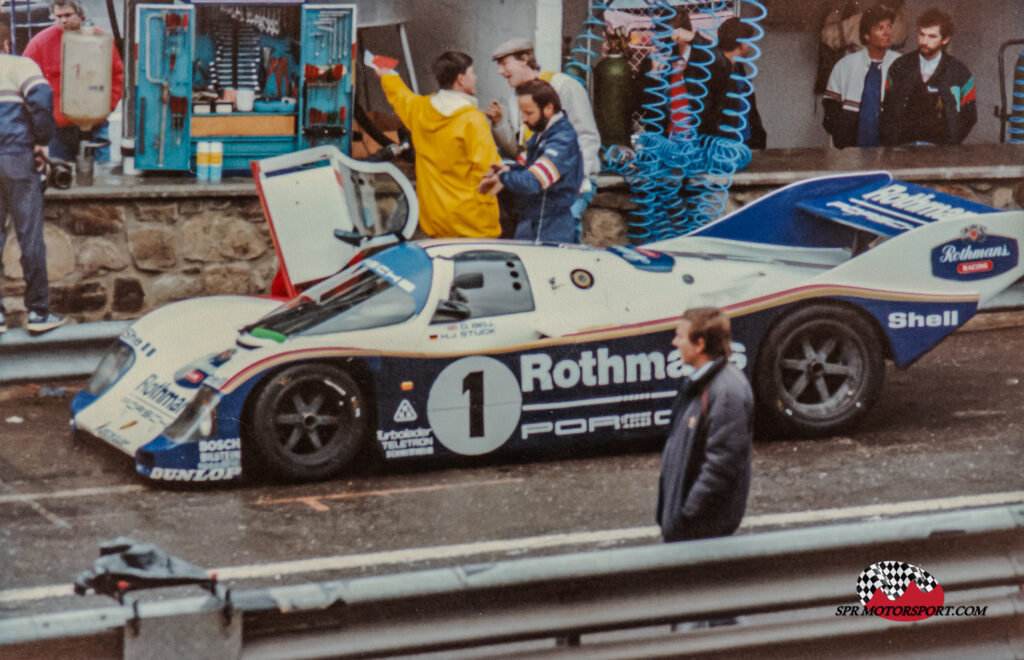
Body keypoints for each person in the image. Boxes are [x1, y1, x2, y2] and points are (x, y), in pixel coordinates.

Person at [370, 51, 502, 239]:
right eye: (472, 73)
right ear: (461, 79)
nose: (476, 77)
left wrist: (387, 75)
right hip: (474, 226)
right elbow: (490, 169)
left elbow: (400, 96)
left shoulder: (420, 110)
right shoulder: (473, 120)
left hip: (436, 222)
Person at [656, 307, 753, 543]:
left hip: (699, 531)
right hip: (689, 526)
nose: (674, 342)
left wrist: (687, 515)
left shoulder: (726, 391)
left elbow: (722, 464)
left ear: (699, 345)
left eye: (680, 336)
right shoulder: (700, 382)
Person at [485, 39, 599, 236]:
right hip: (538, 184)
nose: (500, 72)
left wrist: (579, 178)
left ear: (524, 59)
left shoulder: (563, 85)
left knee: (560, 238)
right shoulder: (516, 99)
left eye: (504, 64)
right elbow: (519, 150)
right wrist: (499, 124)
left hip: (566, 185)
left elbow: (587, 136)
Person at [0, 23, 66, 334]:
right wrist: (41, 141)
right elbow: (41, 99)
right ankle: (39, 313)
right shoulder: (20, 65)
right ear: (6, 40)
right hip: (18, 157)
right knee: (29, 236)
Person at [478, 79, 583, 244]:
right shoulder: (543, 132)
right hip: (533, 222)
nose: (523, 119)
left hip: (550, 229)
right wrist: (506, 169)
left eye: (529, 113)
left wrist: (503, 178)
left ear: (548, 109)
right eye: (522, 113)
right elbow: (528, 168)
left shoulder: (562, 140)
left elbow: (534, 180)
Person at [23, 0, 123, 163]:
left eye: (68, 15)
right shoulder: (39, 44)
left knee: (100, 174)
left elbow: (117, 75)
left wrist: (108, 105)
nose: (63, 20)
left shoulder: (100, 40)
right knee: (60, 176)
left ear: (80, 15)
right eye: (58, 16)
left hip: (95, 124)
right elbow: (25, 82)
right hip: (58, 129)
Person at [880, 8, 976, 146]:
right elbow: (887, 108)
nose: (924, 41)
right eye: (922, 34)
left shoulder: (959, 72)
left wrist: (951, 142)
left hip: (941, 151)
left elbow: (969, 115)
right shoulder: (899, 66)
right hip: (902, 148)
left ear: (946, 39)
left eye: (932, 36)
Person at [823, 5, 900, 148]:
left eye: (889, 27)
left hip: (887, 149)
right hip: (849, 147)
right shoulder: (845, 65)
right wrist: (842, 134)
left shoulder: (901, 64)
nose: (887, 32)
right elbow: (830, 107)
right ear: (866, 35)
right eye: (880, 28)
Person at [684, 17, 766, 149]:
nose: (750, 46)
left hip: (744, 143)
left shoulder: (738, 67)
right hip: (722, 146)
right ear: (741, 42)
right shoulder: (712, 67)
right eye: (749, 41)